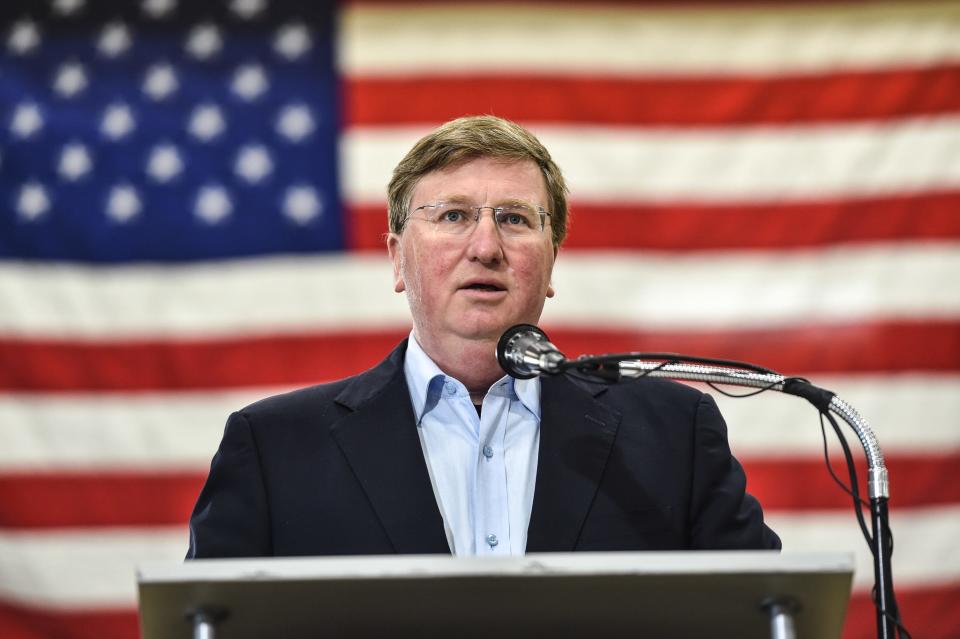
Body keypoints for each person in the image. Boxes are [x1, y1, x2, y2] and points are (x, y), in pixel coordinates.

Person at [187, 115, 780, 558]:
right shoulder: (274, 449)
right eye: (452, 215)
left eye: (516, 219)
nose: (486, 247)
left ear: (551, 266)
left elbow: (764, 613)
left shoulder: (674, 435)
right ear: (398, 261)